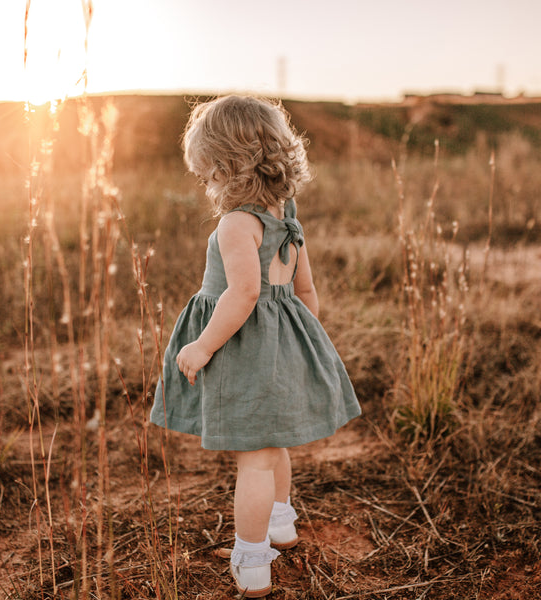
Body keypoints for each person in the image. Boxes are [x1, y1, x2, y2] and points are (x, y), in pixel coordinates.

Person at [150, 95, 361, 597]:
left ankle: (251, 559)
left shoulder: (235, 225)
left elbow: (243, 293)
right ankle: (281, 524)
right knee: (274, 444)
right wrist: (300, 344)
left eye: (207, 175)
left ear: (226, 168)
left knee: (253, 459)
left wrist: (202, 345)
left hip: (241, 349)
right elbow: (305, 290)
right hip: (281, 344)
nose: (206, 185)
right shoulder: (284, 214)